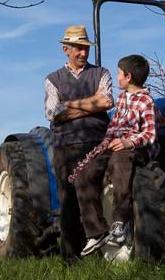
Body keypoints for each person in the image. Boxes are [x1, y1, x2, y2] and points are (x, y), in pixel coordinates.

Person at [68, 54, 159, 257]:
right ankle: (96, 231)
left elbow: (150, 134)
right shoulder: (121, 98)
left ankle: (120, 223)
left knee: (120, 164)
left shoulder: (146, 101)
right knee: (84, 174)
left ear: (128, 76)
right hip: (113, 144)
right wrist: (102, 147)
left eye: (118, 73)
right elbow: (113, 127)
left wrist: (129, 142)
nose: (116, 77)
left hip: (133, 149)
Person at [45, 25, 113, 263]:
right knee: (70, 200)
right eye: (78, 49)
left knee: (100, 194)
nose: (83, 53)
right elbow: (53, 112)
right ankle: (71, 259)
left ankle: (107, 251)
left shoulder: (101, 73)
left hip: (98, 141)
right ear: (66, 50)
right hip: (66, 144)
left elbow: (106, 101)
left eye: (85, 48)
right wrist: (90, 104)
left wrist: (71, 104)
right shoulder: (53, 79)